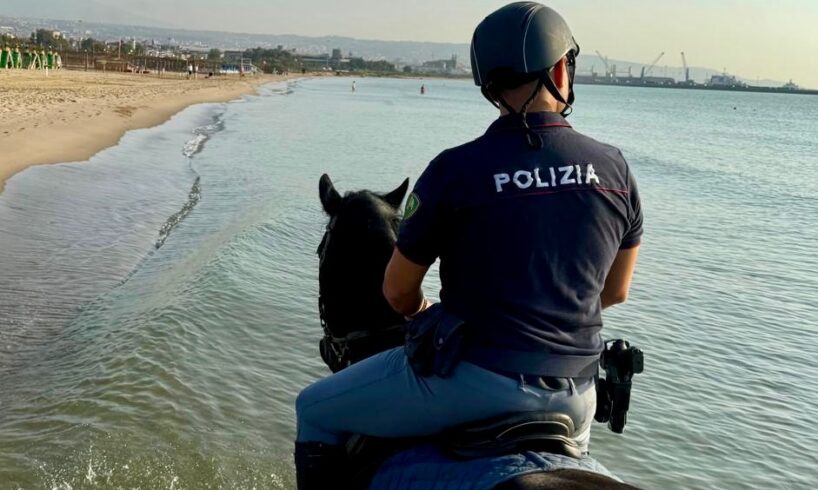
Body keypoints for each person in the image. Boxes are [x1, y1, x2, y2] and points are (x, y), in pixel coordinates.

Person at [294, 2, 642, 488]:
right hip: (576, 395)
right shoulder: (615, 170)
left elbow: (396, 294)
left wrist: (425, 310)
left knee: (313, 410)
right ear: (561, 68)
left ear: (489, 85)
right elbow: (615, 291)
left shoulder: (455, 170)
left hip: (475, 380)